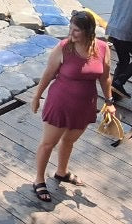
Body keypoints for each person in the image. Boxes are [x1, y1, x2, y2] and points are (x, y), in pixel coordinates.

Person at [30, 11, 116, 203]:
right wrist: (37, 96)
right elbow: (48, 74)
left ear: (89, 31)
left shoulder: (102, 48)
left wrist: (109, 102)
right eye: (70, 28)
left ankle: (62, 172)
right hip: (60, 102)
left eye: (76, 30)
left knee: (69, 140)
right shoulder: (64, 48)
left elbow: (105, 77)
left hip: (85, 104)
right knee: (48, 143)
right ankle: (39, 180)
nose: (71, 33)